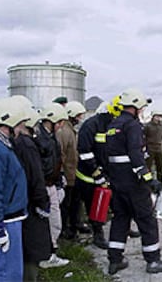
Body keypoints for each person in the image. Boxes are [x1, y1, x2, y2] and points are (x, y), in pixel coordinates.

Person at [106, 88, 162, 275]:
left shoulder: (113, 125)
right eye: (141, 107)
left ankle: (115, 260)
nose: (143, 111)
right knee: (147, 220)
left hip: (117, 182)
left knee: (120, 219)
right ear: (135, 107)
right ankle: (153, 261)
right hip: (133, 183)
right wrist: (149, 179)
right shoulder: (133, 125)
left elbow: (109, 155)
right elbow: (136, 155)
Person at [12, 96, 53, 281]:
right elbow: (36, 177)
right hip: (30, 204)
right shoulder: (27, 146)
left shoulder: (15, 143)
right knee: (32, 247)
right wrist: (43, 203)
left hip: (21, 202)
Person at [0, 97, 28, 281]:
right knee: (5, 272)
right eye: (20, 125)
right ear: (9, 123)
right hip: (3, 221)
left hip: (9, 217)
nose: (21, 130)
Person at [34, 103, 70, 268]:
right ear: (54, 121)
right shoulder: (41, 139)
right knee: (52, 221)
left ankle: (50, 251)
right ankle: (48, 255)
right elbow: (40, 167)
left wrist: (59, 179)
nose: (62, 125)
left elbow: (55, 160)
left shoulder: (49, 136)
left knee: (54, 221)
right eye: (61, 121)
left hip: (52, 184)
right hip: (45, 187)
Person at [74, 101, 113, 249]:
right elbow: (85, 153)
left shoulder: (109, 125)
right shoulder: (90, 126)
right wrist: (97, 174)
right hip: (88, 177)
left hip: (104, 173)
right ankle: (98, 234)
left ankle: (122, 228)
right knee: (94, 205)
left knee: (111, 203)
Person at [56, 101, 89, 239]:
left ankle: (74, 226)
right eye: (79, 116)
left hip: (72, 174)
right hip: (67, 176)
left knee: (74, 203)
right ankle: (64, 231)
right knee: (65, 206)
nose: (80, 118)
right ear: (72, 116)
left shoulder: (71, 130)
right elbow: (61, 155)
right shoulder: (64, 132)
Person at [144, 111, 162, 183]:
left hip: (159, 148)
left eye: (160, 116)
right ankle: (148, 184)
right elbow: (144, 136)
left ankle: (160, 183)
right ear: (153, 116)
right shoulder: (148, 126)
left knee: (160, 166)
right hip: (150, 148)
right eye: (157, 116)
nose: (158, 118)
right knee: (148, 167)